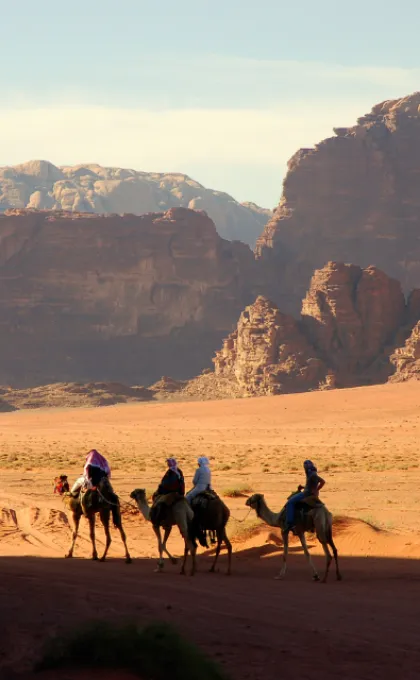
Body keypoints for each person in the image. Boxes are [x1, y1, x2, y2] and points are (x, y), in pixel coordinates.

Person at [285, 460, 325, 532]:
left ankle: (290, 524)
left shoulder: (311, 474)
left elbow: (322, 482)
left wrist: (315, 489)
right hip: (310, 493)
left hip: (306, 494)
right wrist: (305, 487)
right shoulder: (313, 473)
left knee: (290, 502)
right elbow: (314, 484)